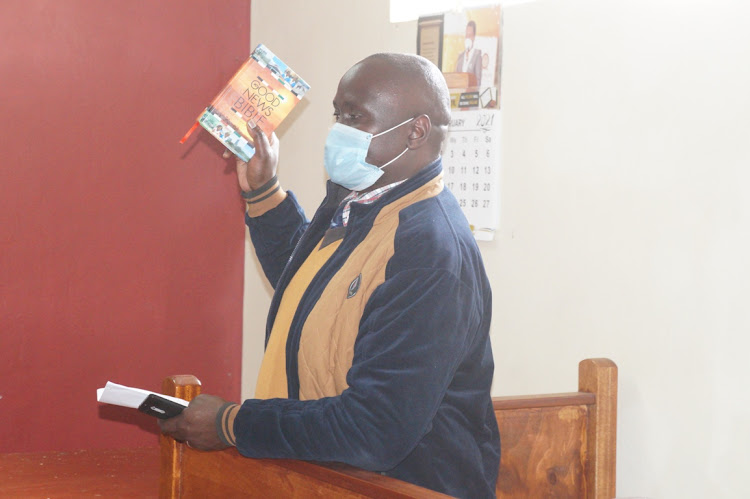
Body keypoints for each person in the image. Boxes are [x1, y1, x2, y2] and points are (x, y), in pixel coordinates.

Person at [160, 53, 500, 499]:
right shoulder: (361, 198)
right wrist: (263, 193)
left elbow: (374, 429)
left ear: (416, 131)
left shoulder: (428, 250)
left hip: (404, 487)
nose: (338, 128)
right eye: (338, 113)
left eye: (355, 116)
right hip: (324, 478)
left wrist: (232, 424)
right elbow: (313, 289)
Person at [455, 20, 482, 87]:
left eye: (470, 35)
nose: (467, 38)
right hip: (459, 94)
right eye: (466, 35)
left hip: (471, 95)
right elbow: (455, 77)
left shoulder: (477, 55)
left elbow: (478, 80)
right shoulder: (461, 56)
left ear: (474, 37)